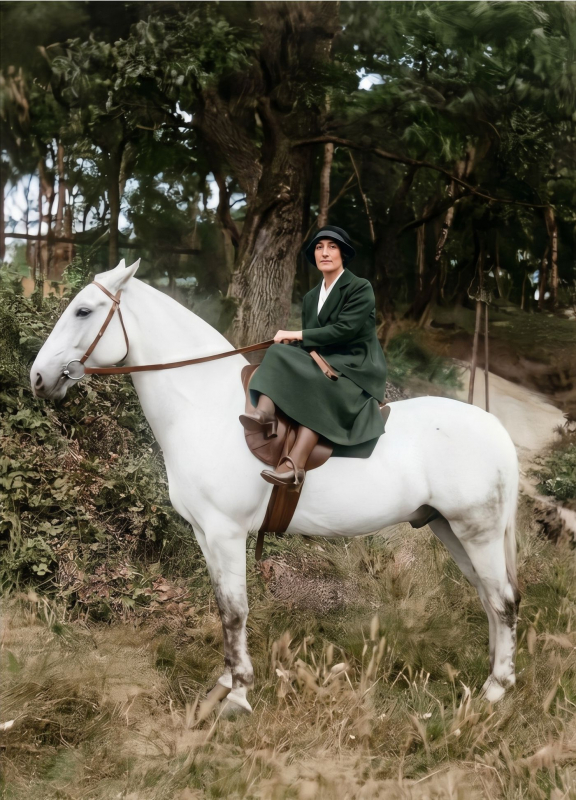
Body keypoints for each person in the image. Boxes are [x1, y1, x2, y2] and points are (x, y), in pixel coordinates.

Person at [240, 224, 388, 489]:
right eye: (319, 247)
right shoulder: (310, 298)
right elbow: (312, 343)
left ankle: (294, 465)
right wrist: (292, 344)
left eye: (332, 247)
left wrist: (296, 334)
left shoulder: (359, 287)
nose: (325, 252)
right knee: (279, 352)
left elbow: (345, 331)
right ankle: (263, 414)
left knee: (311, 382)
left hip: (355, 365)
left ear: (343, 253)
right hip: (324, 362)